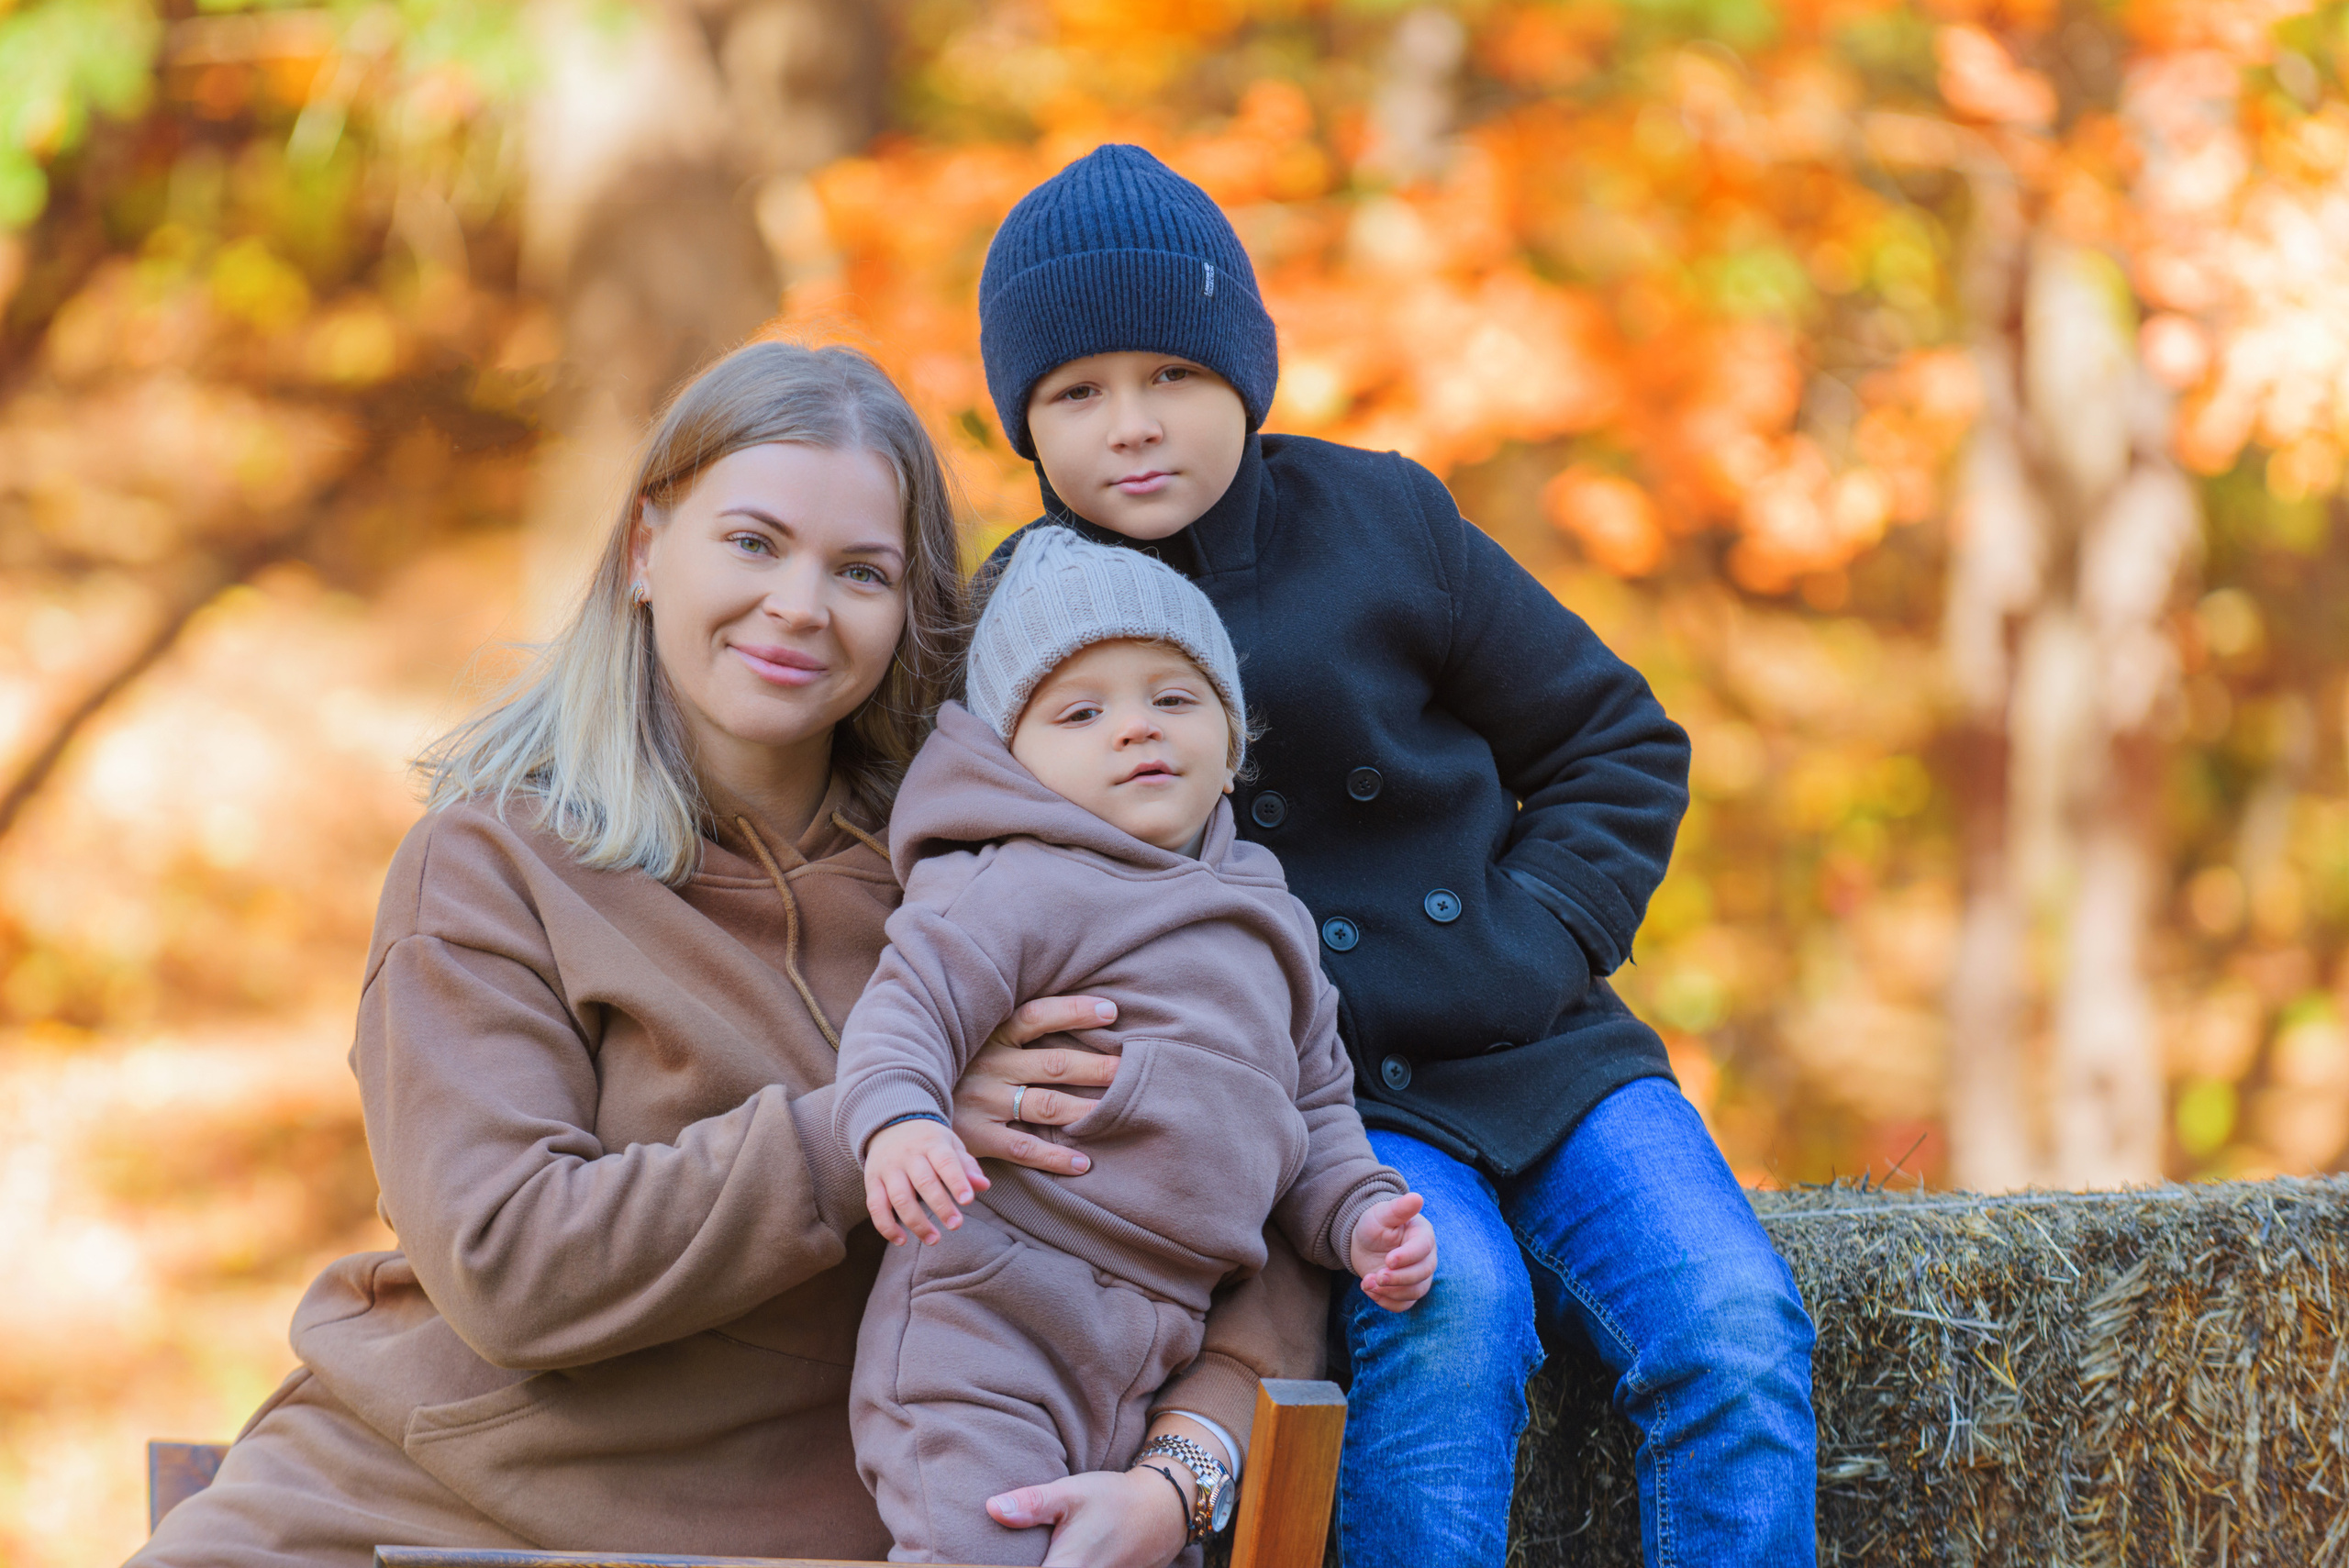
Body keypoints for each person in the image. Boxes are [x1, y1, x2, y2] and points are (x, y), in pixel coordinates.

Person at [128, 340, 1322, 1568]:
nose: (799, 605)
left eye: (860, 571)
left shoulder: (1022, 877)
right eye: (754, 542)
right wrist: (879, 1124)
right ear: (645, 548)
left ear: (908, 612)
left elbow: (1263, 1188)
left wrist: (1185, 1471)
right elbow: (508, 1264)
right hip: (422, 1510)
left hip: (867, 1534)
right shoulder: (492, 865)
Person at [974, 144, 1820, 1567]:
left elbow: (1617, 741)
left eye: (1174, 374)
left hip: (1546, 1047)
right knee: (1452, 1318)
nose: (1135, 425)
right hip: (1332, 1112)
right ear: (1024, 422)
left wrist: (1534, 936)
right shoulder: (1018, 613)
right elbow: (972, 870)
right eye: (1079, 393)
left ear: (1246, 373)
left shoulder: (1386, 519)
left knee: (1733, 1323)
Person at [834, 527, 1436, 1564]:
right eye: (1082, 711)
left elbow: (1316, 1108)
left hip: (1169, 1338)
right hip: (993, 1309)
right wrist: (899, 1121)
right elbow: (907, 1010)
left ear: (1231, 738)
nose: (1136, 727)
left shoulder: (1273, 918)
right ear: (1012, 758)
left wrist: (1359, 1214)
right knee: (984, 1543)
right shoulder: (1013, 880)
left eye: (1173, 697)